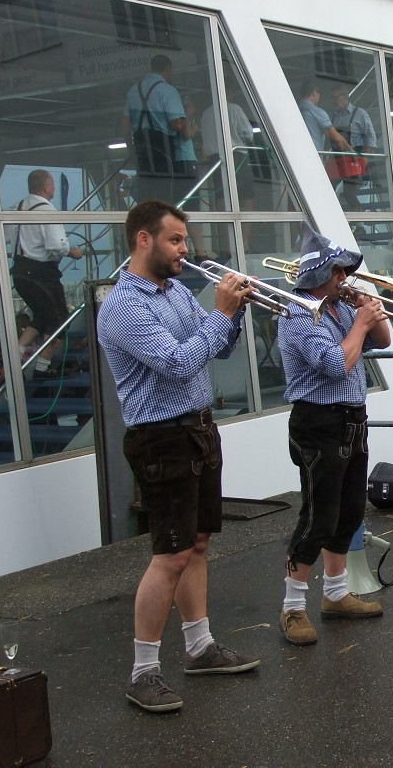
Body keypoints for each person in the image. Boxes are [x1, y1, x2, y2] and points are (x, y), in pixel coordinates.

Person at [96, 200, 260, 714]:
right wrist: (221, 313)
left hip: (197, 430)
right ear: (143, 240)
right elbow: (175, 361)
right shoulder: (125, 305)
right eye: (175, 241)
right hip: (159, 438)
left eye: (184, 240)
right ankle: (143, 672)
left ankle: (199, 646)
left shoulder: (174, 294)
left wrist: (232, 317)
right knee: (168, 554)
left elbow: (214, 349)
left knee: (198, 543)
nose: (184, 250)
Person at [277, 224, 392, 646]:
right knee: (317, 517)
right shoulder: (296, 313)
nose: (345, 279)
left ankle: (337, 593)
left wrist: (371, 312)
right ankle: (292, 607)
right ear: (319, 275)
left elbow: (382, 339)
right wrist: (360, 323)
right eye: (339, 272)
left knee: (349, 512)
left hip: (351, 419)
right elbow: (335, 363)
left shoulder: (340, 309)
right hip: (317, 423)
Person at [5, 169, 84, 379]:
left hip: (20, 273)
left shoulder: (16, 208)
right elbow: (55, 246)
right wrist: (72, 251)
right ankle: (42, 367)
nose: (54, 189)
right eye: (53, 186)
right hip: (42, 275)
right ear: (47, 187)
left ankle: (15, 359)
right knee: (59, 322)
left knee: (40, 317)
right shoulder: (47, 210)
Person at [122, 54, 200, 208]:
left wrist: (130, 149)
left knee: (147, 192)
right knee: (165, 194)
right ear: (168, 68)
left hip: (141, 149)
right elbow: (176, 123)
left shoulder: (133, 91)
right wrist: (188, 118)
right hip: (162, 150)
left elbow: (125, 125)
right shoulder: (168, 91)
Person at [201, 82, 257, 211]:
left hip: (215, 159)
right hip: (236, 155)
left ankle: (224, 232)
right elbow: (248, 133)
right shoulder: (234, 108)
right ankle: (245, 231)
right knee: (247, 195)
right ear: (227, 92)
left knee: (222, 196)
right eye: (232, 91)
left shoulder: (206, 114)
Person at [329, 84, 377, 212]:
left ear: (345, 97)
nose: (334, 101)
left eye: (336, 97)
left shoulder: (359, 113)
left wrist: (365, 158)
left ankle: (360, 224)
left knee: (349, 193)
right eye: (332, 98)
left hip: (355, 161)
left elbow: (371, 138)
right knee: (327, 189)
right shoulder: (332, 117)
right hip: (338, 161)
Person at [297, 79, 353, 158]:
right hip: (314, 159)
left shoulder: (294, 112)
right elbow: (336, 138)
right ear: (314, 93)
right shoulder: (317, 112)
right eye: (319, 94)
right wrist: (353, 153)